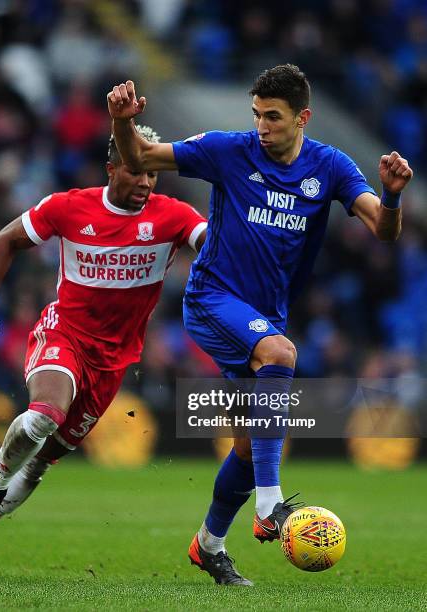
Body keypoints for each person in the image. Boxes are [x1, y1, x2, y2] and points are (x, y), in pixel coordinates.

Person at [107, 65, 413, 586]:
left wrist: (392, 195)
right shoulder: (228, 150)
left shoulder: (331, 166)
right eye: (257, 115)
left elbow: (383, 231)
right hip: (211, 299)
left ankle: (209, 545)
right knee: (281, 355)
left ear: (303, 118)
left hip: (263, 312)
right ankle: (271, 507)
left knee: (249, 449)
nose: (262, 126)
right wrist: (121, 123)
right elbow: (139, 156)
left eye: (273, 117)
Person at [0, 125, 207, 579]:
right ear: (112, 168)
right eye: (136, 171)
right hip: (64, 335)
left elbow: (210, 244)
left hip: (113, 362)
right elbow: (6, 241)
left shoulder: (173, 216)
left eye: (153, 173)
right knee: (44, 415)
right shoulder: (70, 207)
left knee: (39, 466)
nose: (145, 183)